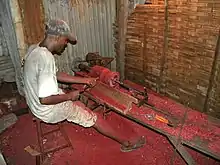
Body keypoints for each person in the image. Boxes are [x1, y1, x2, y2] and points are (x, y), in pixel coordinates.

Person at [23, 19, 146, 152]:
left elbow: (56, 75)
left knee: (77, 102)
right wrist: (70, 96)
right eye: (65, 40)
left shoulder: (34, 49)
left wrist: (85, 81)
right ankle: (127, 142)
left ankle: (78, 106)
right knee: (93, 116)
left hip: (33, 104)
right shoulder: (46, 58)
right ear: (57, 37)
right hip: (47, 110)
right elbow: (45, 99)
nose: (65, 44)